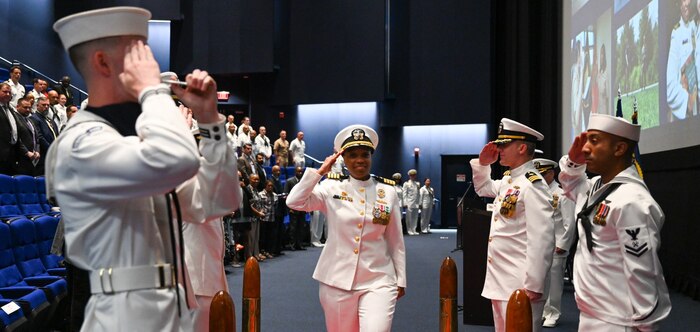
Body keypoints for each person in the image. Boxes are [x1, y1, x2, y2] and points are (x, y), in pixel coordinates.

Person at [49, 7, 239, 331]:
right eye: (137, 53)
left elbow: (215, 202)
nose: (149, 64)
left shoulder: (136, 139)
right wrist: (153, 92)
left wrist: (209, 121)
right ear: (103, 62)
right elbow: (177, 159)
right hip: (122, 314)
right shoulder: (80, 143)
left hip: (173, 305)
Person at [286, 124, 406, 332]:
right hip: (337, 281)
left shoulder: (387, 192)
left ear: (371, 157)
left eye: (365, 154)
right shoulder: (331, 187)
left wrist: (401, 278)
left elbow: (395, 240)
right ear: (343, 158)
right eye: (352, 155)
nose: (359, 159)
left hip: (379, 278)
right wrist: (319, 173)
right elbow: (294, 202)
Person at [559, 114, 671, 330]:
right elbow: (572, 185)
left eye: (594, 140)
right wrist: (573, 162)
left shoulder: (632, 202)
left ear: (619, 149)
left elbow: (643, 270)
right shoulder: (598, 187)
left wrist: (646, 324)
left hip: (618, 320)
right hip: (593, 311)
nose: (584, 149)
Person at [470, 118, 555, 332]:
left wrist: (534, 285)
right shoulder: (510, 180)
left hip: (521, 282)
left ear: (522, 148)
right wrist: (483, 164)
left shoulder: (532, 184)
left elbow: (542, 238)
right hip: (500, 279)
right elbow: (483, 188)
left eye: (504, 145)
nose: (499, 149)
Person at [533, 158, 576, 328]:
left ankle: (553, 313)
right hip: (540, 243)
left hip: (556, 245)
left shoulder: (562, 194)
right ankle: (543, 310)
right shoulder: (538, 191)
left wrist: (563, 245)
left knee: (555, 281)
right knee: (541, 279)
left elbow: (569, 222)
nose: (540, 178)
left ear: (551, 173)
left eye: (542, 174)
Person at [667, 0, 697, 121]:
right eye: (682, 1)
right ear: (679, 5)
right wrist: (687, 101)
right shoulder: (676, 33)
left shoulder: (695, 26)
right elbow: (671, 89)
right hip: (689, 115)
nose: (686, 4)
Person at [284, 166, 307, 250]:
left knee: (301, 227)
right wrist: (289, 208)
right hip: (293, 208)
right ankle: (292, 244)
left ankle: (299, 244)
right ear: (295, 172)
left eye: (301, 172)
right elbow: (286, 195)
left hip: (302, 207)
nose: (300, 173)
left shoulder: (304, 182)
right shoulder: (290, 181)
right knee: (293, 228)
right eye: (298, 171)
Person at [0, 83, 19, 174]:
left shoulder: (11, 109)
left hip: (11, 152)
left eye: (9, 92)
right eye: (4, 92)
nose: (8, 94)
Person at [402, 169, 420, 235]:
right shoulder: (406, 184)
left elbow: (418, 194)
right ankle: (409, 230)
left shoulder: (417, 184)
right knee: (409, 217)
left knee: (415, 217)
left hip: (416, 203)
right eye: (412, 175)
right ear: (409, 176)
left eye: (414, 175)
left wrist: (419, 202)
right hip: (409, 202)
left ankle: (414, 229)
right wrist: (405, 203)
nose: (413, 176)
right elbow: (404, 194)